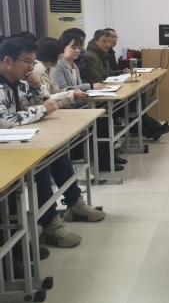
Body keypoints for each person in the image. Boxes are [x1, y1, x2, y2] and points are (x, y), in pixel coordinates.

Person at [0, 38, 105, 248]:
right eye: (27, 62)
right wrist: (41, 109)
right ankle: (49, 225)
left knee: (57, 153)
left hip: (20, 142)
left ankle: (74, 204)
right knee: (40, 168)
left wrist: (37, 87)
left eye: (33, 62)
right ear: (8, 61)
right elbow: (5, 121)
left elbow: (47, 103)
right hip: (6, 150)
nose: (32, 67)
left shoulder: (21, 83)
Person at [33, 37, 88, 108]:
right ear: (51, 54)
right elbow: (45, 99)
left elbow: (55, 91)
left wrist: (71, 91)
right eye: (59, 55)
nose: (60, 58)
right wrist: (70, 95)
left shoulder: (50, 69)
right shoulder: (36, 71)